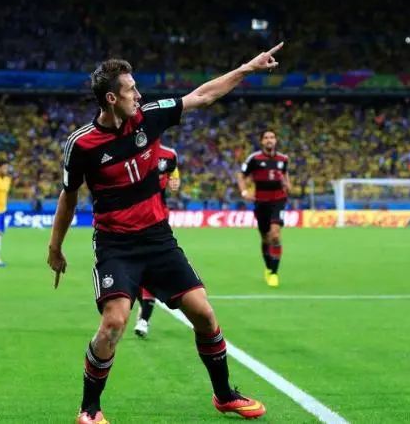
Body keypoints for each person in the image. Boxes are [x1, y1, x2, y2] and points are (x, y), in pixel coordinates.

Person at [47, 42, 284, 424]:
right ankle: (90, 410)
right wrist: (54, 247)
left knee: (204, 315)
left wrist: (248, 67)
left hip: (158, 241)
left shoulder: (150, 117)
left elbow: (203, 95)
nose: (139, 95)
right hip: (116, 246)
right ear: (111, 98)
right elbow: (68, 197)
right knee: (114, 323)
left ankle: (224, 396)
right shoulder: (82, 145)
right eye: (130, 90)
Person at [133, 143, 181, 338]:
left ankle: (144, 318)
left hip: (157, 219)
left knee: (148, 268)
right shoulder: (128, 149)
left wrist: (174, 182)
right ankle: (143, 305)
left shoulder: (169, 155)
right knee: (134, 272)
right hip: (129, 219)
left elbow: (174, 176)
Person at [237, 130, 290, 287]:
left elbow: (287, 179)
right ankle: (268, 267)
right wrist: (244, 191)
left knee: (274, 235)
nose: (269, 140)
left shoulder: (283, 159)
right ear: (261, 141)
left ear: (276, 140)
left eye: (272, 137)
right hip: (261, 202)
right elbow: (241, 175)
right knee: (265, 238)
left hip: (278, 200)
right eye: (266, 138)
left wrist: (288, 185)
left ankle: (274, 273)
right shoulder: (254, 159)